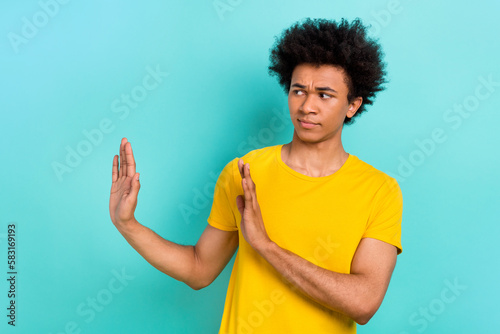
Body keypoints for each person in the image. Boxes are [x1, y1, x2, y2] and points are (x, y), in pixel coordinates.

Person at [109, 18, 403, 333]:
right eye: (298, 90)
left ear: (352, 105)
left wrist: (267, 246)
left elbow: (364, 303)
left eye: (325, 95)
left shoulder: (379, 190)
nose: (306, 106)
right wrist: (128, 225)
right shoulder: (245, 172)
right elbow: (199, 269)